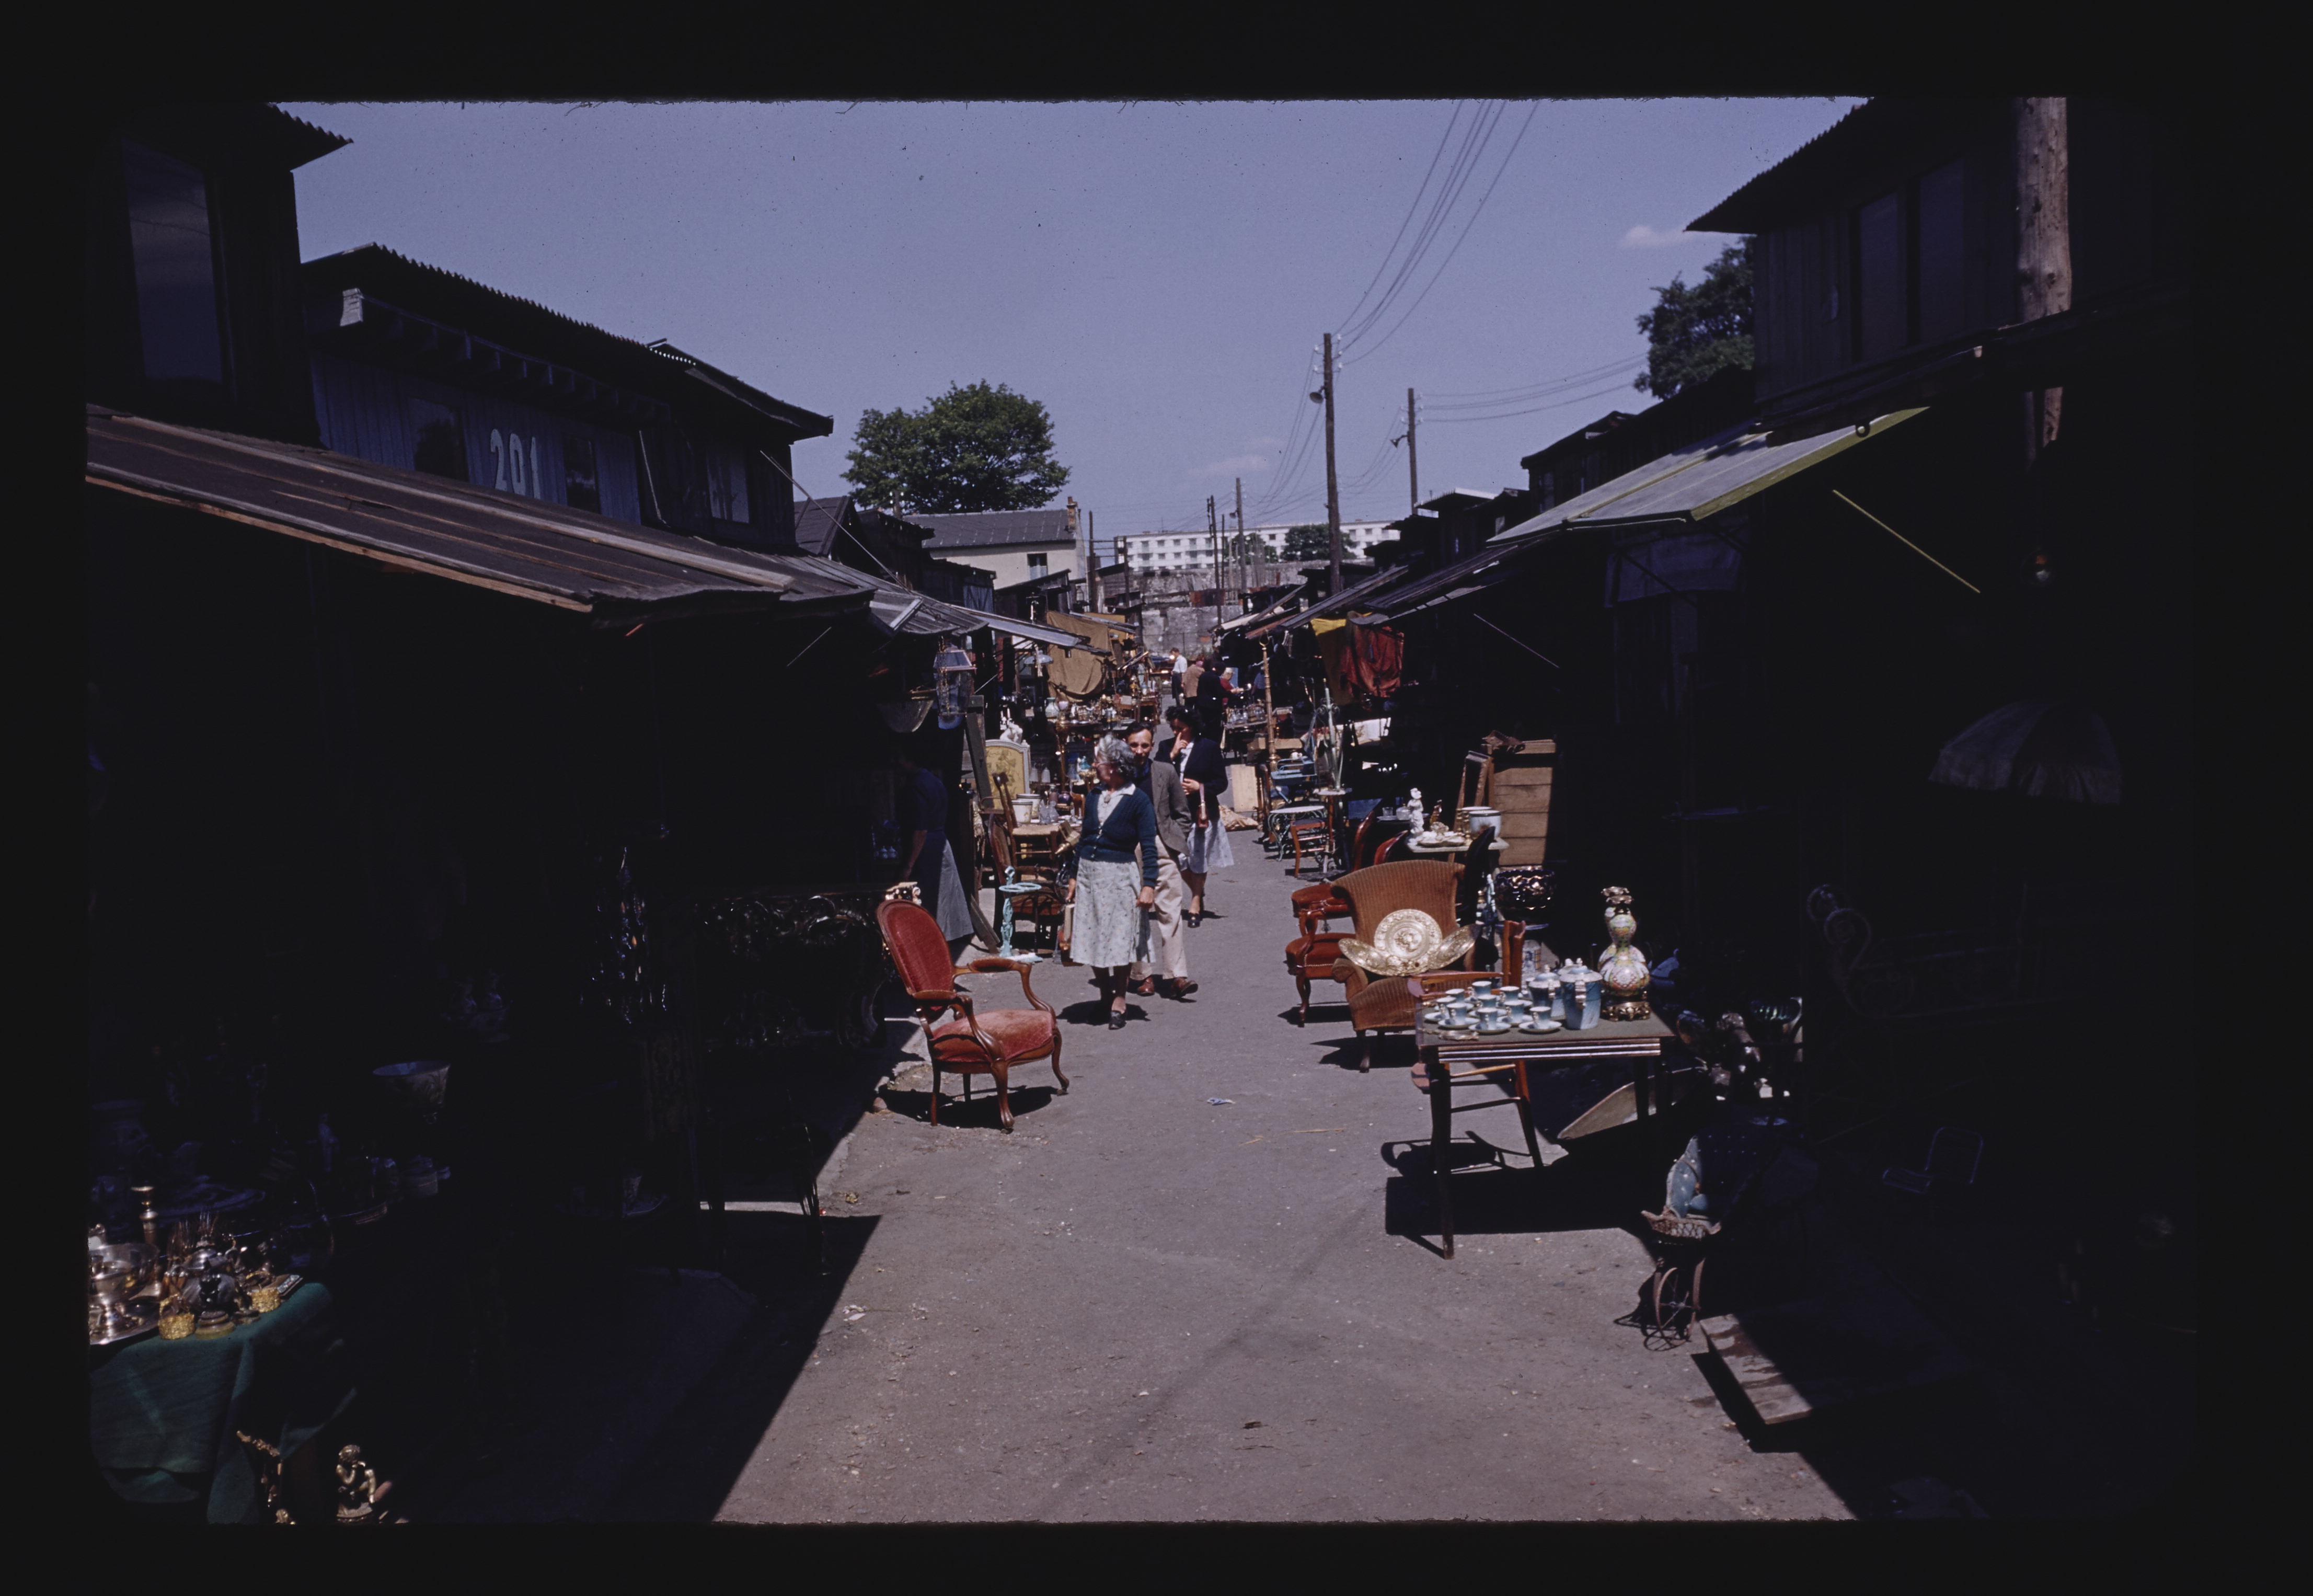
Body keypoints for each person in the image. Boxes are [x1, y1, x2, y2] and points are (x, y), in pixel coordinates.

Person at [1062, 736, 1159, 1028]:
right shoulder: (1094, 795)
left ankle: (1119, 998)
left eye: (1099, 761)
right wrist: (1074, 876)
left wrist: (1149, 885)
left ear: (1115, 766)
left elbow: (1149, 847)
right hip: (1090, 876)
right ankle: (1104, 995)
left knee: (1120, 939)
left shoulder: (1138, 801)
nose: (1095, 765)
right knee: (1093, 936)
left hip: (1119, 877)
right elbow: (1085, 838)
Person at [1123, 722, 1198, 1001]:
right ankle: (1142, 975)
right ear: (1125, 744)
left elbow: (1182, 812)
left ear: (1152, 746)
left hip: (1161, 845)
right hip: (1130, 849)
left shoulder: (1165, 772)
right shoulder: (1118, 775)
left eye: (1145, 745)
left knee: (1171, 911)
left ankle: (1177, 975)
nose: (1139, 751)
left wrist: (1174, 841)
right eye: (1134, 745)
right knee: (1137, 913)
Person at [1162, 704, 1233, 925]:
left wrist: (1200, 787)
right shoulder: (1166, 747)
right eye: (1173, 728)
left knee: (1199, 858)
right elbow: (1157, 776)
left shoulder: (1208, 748)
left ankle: (1194, 903)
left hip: (1200, 812)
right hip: (1174, 813)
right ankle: (1198, 890)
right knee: (1178, 858)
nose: (1176, 733)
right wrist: (1173, 754)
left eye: (1181, 728)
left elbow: (1221, 782)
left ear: (1191, 727)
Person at [892, 743, 950, 926]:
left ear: (909, 761)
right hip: (938, 842)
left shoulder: (917, 785)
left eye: (900, 759)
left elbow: (921, 830)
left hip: (927, 848)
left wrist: (909, 865)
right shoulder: (933, 781)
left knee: (926, 899)